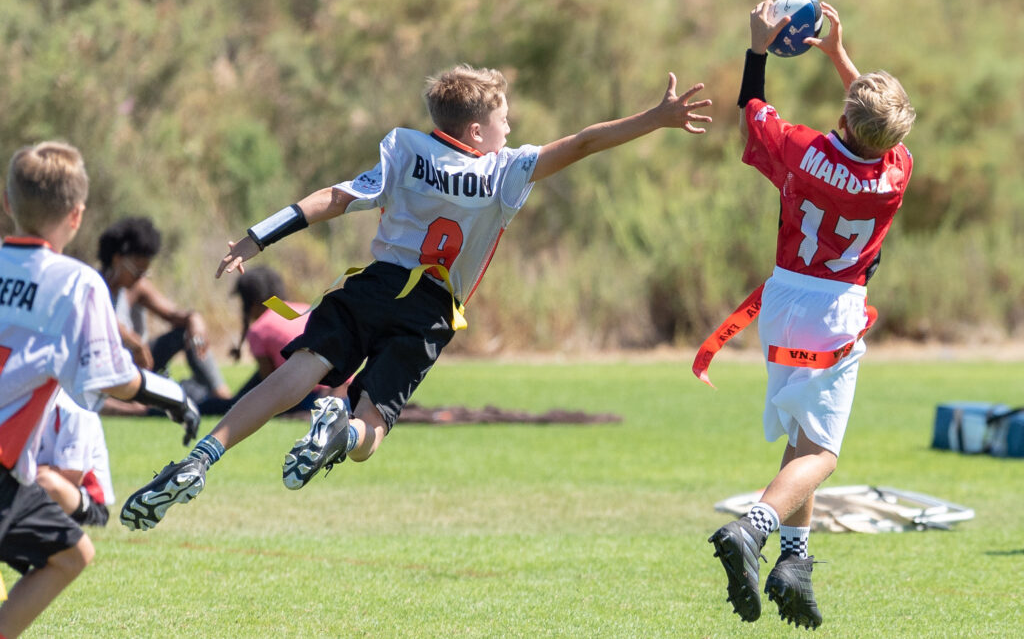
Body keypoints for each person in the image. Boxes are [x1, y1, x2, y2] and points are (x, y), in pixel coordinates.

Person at [118, 63, 712, 531]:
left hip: (374, 285)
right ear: (478, 130)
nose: (511, 130)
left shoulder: (404, 148)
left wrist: (257, 236)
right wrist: (653, 119)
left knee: (294, 374)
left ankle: (203, 457)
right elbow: (582, 143)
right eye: (505, 120)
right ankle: (340, 431)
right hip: (430, 310)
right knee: (372, 428)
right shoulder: (505, 170)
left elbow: (337, 196)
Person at [705, 0, 915, 629]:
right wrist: (840, 57)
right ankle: (755, 529)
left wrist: (757, 49)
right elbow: (879, 126)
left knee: (801, 444)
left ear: (845, 118)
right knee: (823, 452)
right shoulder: (895, 173)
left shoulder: (803, 150)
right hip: (836, 312)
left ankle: (793, 564)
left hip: (784, 301)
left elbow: (752, 111)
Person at [0, 142, 200, 637]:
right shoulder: (76, 283)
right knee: (71, 556)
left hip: (10, 477)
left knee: (72, 551)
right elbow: (112, 378)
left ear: (8, 204)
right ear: (77, 215)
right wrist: (173, 397)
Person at [98, 216, 231, 411]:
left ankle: (223, 397)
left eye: (145, 273)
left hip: (140, 364)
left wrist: (194, 319)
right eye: (137, 271)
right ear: (117, 260)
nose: (140, 278)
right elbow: (103, 321)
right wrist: (134, 343)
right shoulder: (93, 286)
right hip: (108, 369)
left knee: (186, 333)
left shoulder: (137, 288)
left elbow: (175, 314)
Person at [197, 266, 346, 415]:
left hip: (307, 396)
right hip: (339, 392)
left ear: (251, 303)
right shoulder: (305, 309)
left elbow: (268, 385)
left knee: (229, 406)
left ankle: (195, 404)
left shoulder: (260, 328)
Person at [36, 391, 114, 527]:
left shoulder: (74, 407)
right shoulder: (23, 403)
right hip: (38, 493)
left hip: (88, 503)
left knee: (45, 480)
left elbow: (71, 476)